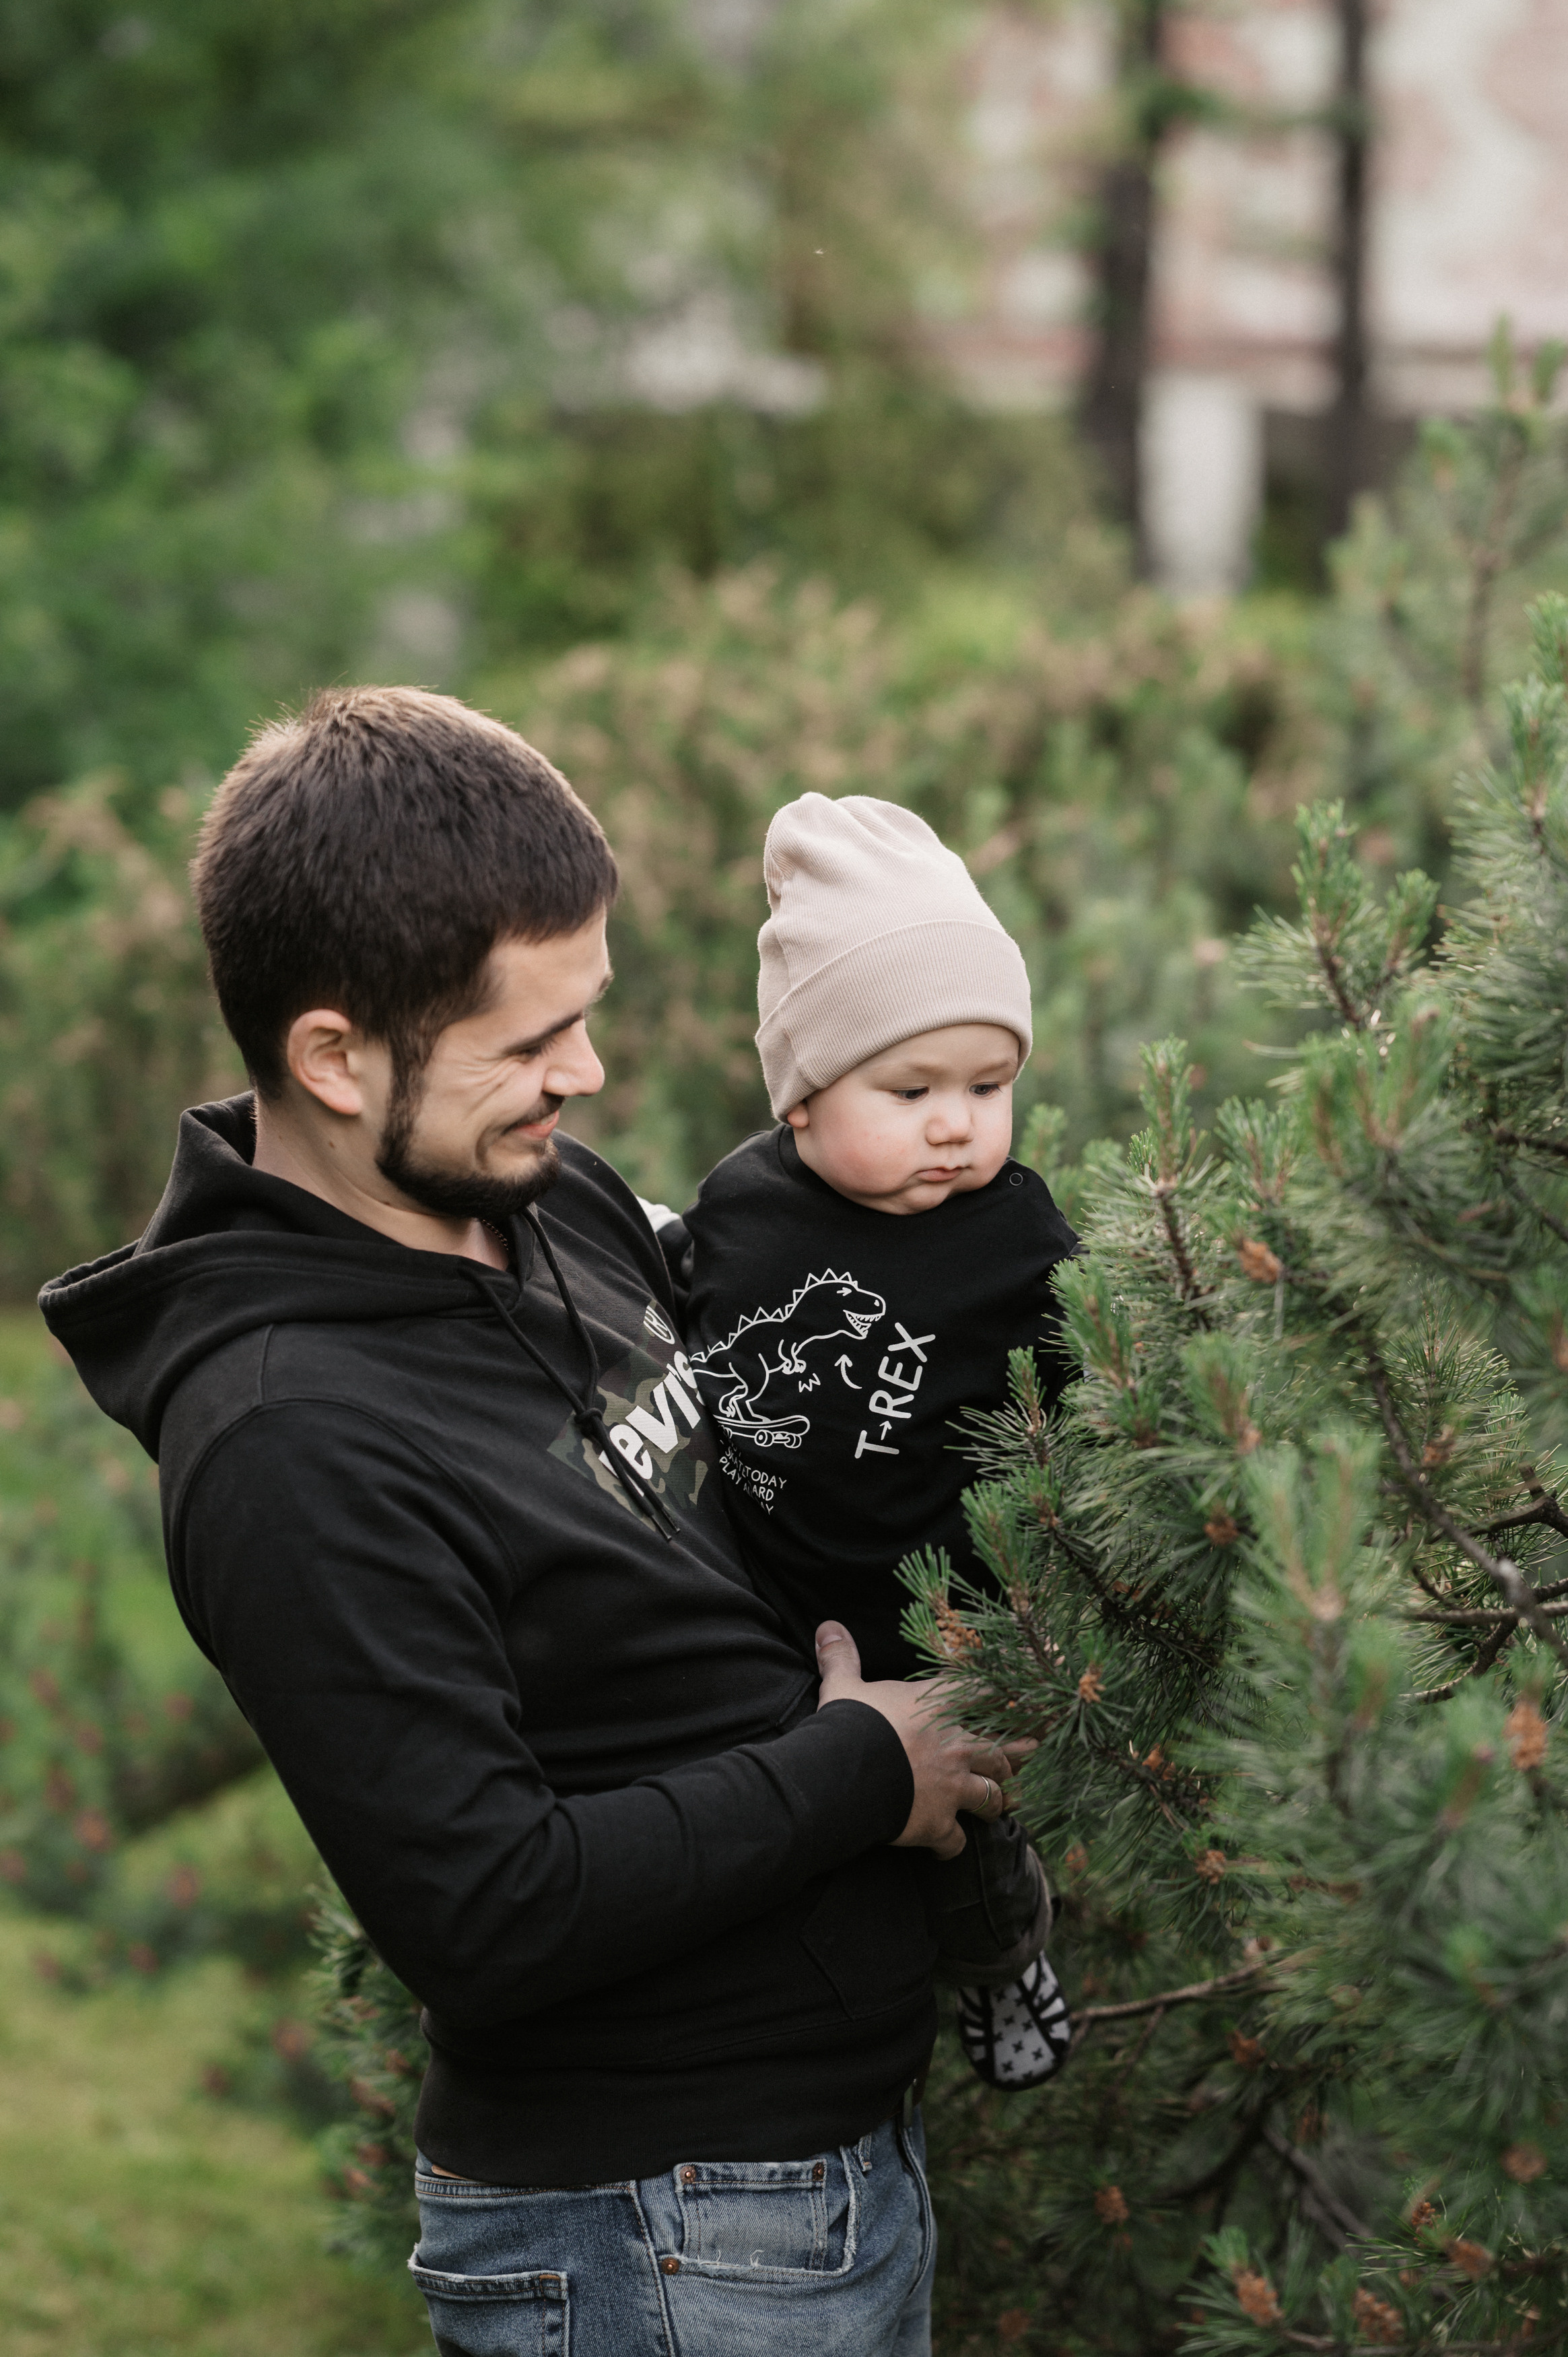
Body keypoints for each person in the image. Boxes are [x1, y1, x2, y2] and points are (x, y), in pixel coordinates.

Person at [39, 689, 1025, 2357]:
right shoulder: (290, 1439)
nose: (588, 1072)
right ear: (334, 1057)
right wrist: (871, 1767)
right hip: (650, 2231)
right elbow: (484, 1913)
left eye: (588, 1011)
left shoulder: (533, 1191)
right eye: (526, 1040)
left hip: (813, 2175)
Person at [671, 794, 1080, 2091]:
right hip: (764, 1607)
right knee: (800, 1849)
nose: (954, 1123)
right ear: (800, 1100)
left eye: (987, 1085)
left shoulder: (1012, 1234)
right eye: (907, 1090)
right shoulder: (739, 1209)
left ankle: (1005, 1956)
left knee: (964, 1837)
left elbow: (1094, 1373)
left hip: (935, 1605)